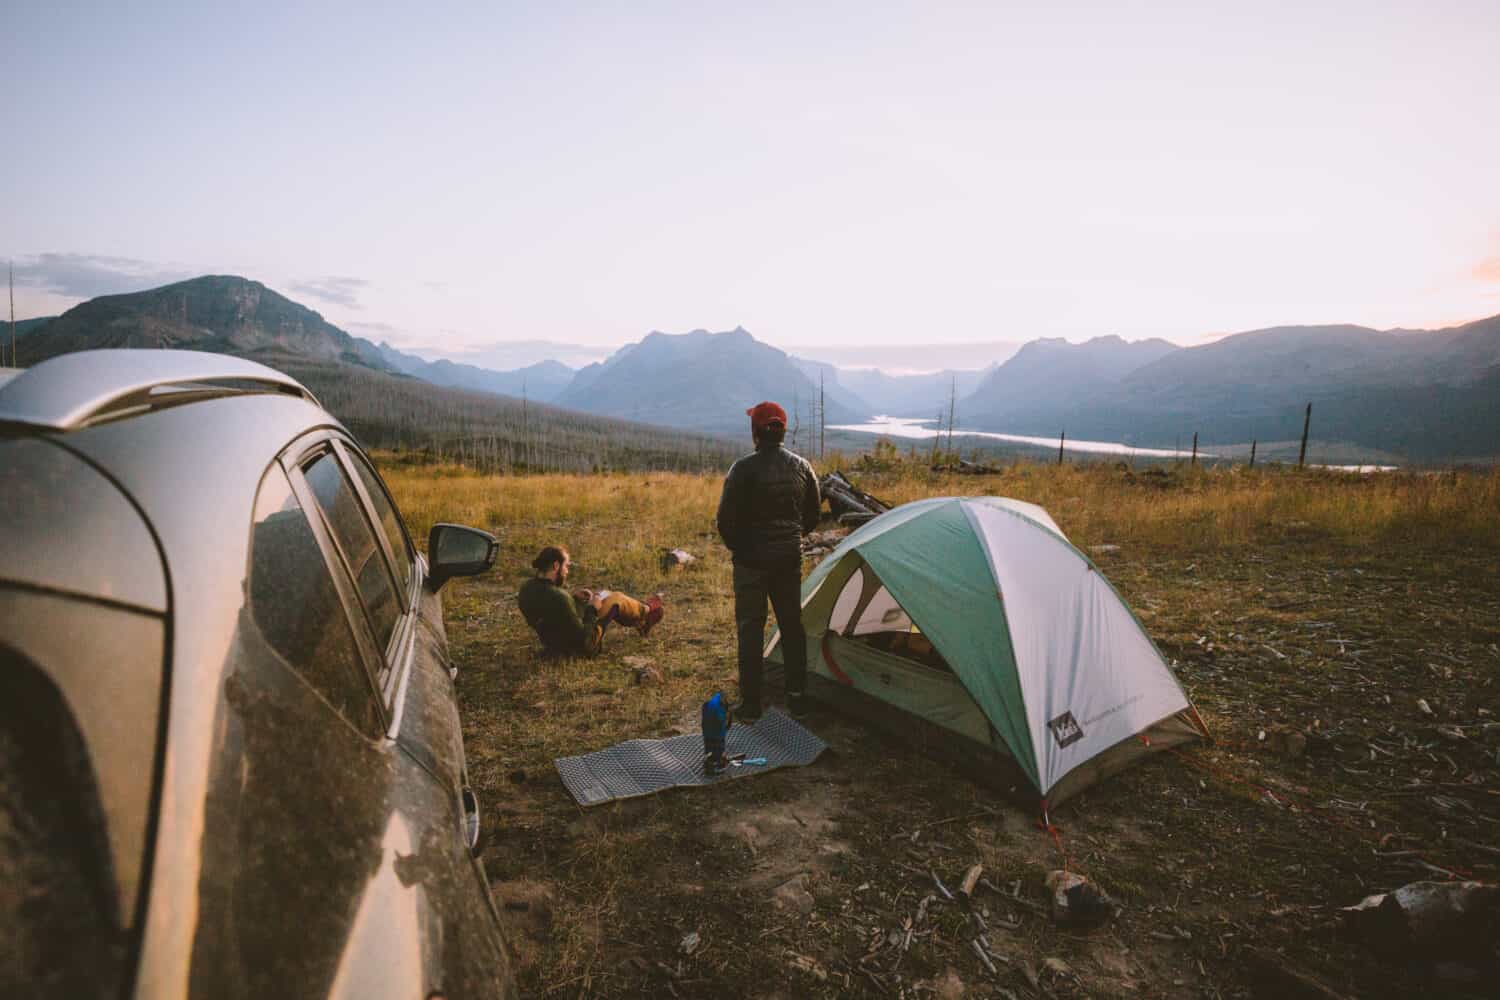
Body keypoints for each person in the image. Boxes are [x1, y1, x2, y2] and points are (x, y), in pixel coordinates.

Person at [716, 401, 820, 721]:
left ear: (755, 431)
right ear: (782, 431)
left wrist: (744, 550)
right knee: (791, 627)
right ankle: (797, 697)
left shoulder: (743, 469)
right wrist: (789, 538)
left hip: (751, 563)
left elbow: (725, 521)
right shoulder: (803, 467)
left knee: (750, 629)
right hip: (788, 560)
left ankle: (750, 705)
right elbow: (812, 517)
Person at [517, 545, 664, 657]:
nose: (567, 571)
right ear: (556, 566)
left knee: (601, 595)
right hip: (582, 648)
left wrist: (574, 599)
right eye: (566, 566)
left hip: (552, 643)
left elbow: (554, 613)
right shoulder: (559, 597)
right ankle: (647, 611)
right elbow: (583, 637)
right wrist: (592, 609)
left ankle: (641, 621)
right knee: (615, 598)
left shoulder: (526, 589)